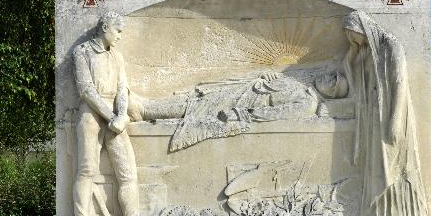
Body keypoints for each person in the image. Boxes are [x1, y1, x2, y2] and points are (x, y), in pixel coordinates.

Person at [341, 10, 431, 216]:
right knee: (378, 167)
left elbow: (400, 83)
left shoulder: (391, 46)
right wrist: (352, 49)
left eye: (353, 35)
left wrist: (395, 119)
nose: (353, 41)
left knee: (396, 167)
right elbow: (349, 72)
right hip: (375, 117)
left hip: (392, 114)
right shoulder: (368, 51)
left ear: (362, 28)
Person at [129, 67, 350, 151]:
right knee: (199, 96)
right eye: (332, 75)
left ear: (331, 94)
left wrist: (240, 114)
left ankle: (146, 111)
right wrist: (270, 75)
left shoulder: (308, 104)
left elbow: (273, 114)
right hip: (245, 90)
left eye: (333, 82)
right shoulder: (305, 81)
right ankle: (147, 105)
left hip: (246, 104)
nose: (329, 77)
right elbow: (276, 82)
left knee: (198, 107)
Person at [71, 12, 153, 216]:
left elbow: (122, 88)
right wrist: (111, 117)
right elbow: (86, 90)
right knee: (86, 170)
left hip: (115, 115)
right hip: (91, 114)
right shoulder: (83, 52)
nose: (119, 36)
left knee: (127, 172)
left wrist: (122, 114)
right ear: (105, 27)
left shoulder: (117, 56)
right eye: (118, 30)